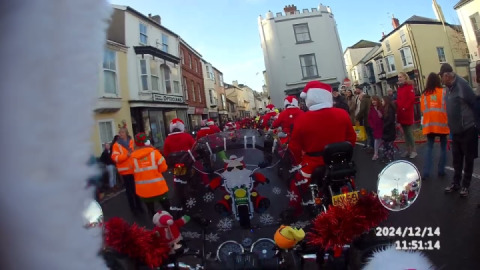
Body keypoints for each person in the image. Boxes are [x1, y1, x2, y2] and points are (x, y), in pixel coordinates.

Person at [289, 81, 356, 209]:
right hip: (339, 161)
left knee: (296, 184)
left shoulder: (302, 119)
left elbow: (294, 147)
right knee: (349, 180)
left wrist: (298, 162)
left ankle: (295, 211)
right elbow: (351, 138)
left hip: (313, 164)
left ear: (309, 99)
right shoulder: (342, 113)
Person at [440, 63, 478, 197]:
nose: (441, 80)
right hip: (455, 131)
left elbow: (474, 103)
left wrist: (476, 124)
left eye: (442, 78)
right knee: (456, 159)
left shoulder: (462, 85)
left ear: (447, 76)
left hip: (467, 129)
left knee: (468, 159)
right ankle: (455, 183)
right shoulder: (448, 88)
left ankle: (465, 186)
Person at [129, 132, 170, 217]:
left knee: (151, 212)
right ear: (147, 142)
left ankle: (155, 228)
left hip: (144, 191)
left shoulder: (132, 157)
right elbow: (164, 168)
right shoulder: (155, 153)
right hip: (159, 188)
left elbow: (131, 171)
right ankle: (171, 226)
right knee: (167, 209)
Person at [420, 72, 450, 180]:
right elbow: (448, 107)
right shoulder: (444, 92)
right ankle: (441, 170)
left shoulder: (424, 94)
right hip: (442, 124)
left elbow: (422, 110)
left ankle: (426, 172)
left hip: (429, 125)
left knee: (429, 148)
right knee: (443, 148)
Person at [111, 127, 143, 215]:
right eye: (120, 132)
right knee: (129, 192)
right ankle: (133, 209)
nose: (120, 134)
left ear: (126, 133)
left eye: (122, 132)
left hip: (134, 170)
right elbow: (115, 158)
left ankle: (139, 207)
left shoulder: (132, 142)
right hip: (125, 171)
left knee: (136, 190)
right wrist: (126, 155)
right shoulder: (116, 145)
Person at [396, 72, 417, 159]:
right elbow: (398, 99)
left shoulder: (409, 86)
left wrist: (404, 107)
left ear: (405, 77)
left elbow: (411, 99)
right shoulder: (399, 88)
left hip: (407, 112)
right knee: (405, 133)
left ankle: (414, 150)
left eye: (400, 77)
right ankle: (408, 150)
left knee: (409, 132)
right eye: (398, 77)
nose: (399, 78)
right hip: (401, 112)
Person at [368, 96, 384, 160]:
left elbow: (384, 116)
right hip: (376, 127)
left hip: (382, 126)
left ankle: (384, 152)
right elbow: (369, 118)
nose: (373, 102)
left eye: (374, 100)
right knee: (376, 140)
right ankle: (376, 154)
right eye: (372, 100)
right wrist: (372, 125)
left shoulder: (381, 108)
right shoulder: (371, 109)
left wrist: (382, 117)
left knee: (383, 140)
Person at [381, 96, 396, 163]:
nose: (381, 102)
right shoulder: (385, 109)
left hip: (389, 130)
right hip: (386, 130)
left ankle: (390, 158)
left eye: (382, 101)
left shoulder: (390, 110)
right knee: (386, 144)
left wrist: (384, 126)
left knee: (389, 145)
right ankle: (386, 156)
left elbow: (390, 120)